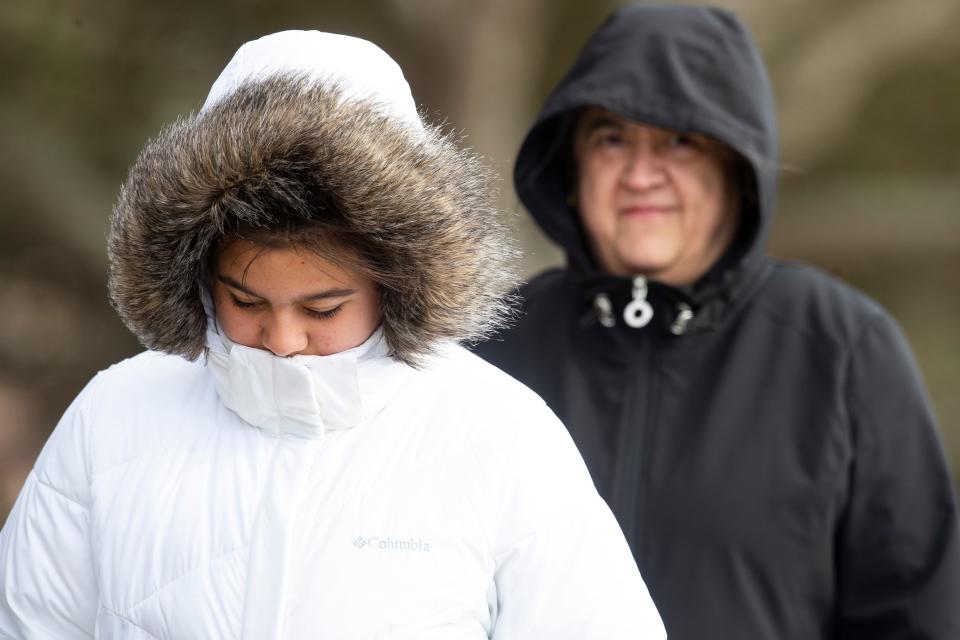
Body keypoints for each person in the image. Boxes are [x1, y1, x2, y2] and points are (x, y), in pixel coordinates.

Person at [0, 30, 666, 638]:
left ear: (399, 280)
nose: (282, 339)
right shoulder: (113, 420)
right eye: (245, 299)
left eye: (322, 309)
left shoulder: (499, 435)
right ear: (197, 271)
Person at [475, 4, 960, 639]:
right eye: (611, 139)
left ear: (735, 166)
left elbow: (918, 614)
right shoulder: (497, 352)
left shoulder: (841, 349)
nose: (641, 175)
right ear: (574, 168)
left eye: (678, 141)